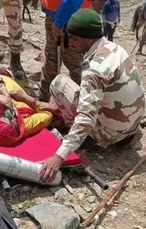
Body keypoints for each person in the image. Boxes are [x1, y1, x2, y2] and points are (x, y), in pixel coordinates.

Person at [39, 10, 146, 184]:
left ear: (88, 37)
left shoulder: (95, 69)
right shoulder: (116, 49)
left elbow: (86, 118)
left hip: (108, 134)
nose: (71, 44)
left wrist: (59, 156)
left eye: (74, 38)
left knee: (58, 82)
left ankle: (76, 128)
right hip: (131, 126)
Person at [39, 0, 95, 102]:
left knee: (75, 65)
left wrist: (60, 21)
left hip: (70, 18)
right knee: (51, 60)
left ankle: (83, 108)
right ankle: (43, 101)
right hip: (54, 13)